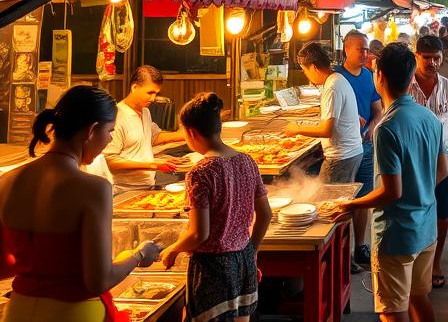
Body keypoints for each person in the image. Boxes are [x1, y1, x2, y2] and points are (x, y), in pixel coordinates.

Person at [0, 85, 161, 321]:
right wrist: (139, 255)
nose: (109, 140)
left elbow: (4, 265)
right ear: (91, 130)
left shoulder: (7, 181)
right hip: (73, 313)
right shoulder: (94, 188)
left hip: (19, 311)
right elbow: (98, 280)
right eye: (109, 131)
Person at [333, 43, 445, 322]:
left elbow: (390, 192)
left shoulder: (387, 127)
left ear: (379, 76)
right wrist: (420, 187)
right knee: (419, 298)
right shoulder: (429, 117)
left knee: (392, 311)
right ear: (410, 78)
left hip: (397, 236)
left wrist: (350, 204)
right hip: (426, 227)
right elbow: (443, 169)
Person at [160, 93, 272, 322]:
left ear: (190, 132)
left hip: (213, 269)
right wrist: (252, 253)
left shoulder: (201, 172)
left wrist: (173, 249)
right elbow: (266, 214)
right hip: (243, 262)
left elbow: (199, 234)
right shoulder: (247, 161)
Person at [408, 35, 448, 290]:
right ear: (416, 57)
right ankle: (415, 260)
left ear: (443, 57)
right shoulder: (406, 87)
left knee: (442, 213)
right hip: (412, 161)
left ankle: (435, 261)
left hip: (444, 161)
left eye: (437, 58)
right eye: (427, 58)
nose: (432, 63)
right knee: (415, 210)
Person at [336, 31, 384, 272]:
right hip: (342, 148)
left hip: (365, 145)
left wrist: (371, 127)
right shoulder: (335, 78)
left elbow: (378, 110)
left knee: (363, 196)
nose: (365, 54)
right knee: (342, 199)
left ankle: (361, 246)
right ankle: (341, 251)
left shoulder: (368, 76)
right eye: (360, 49)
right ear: (346, 49)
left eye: (366, 49)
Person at [284, 41, 363, 185]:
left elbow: (327, 130)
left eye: (305, 71)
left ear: (314, 67)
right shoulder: (337, 79)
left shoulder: (332, 87)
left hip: (341, 157)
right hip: (349, 153)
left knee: (327, 203)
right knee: (340, 200)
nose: (306, 75)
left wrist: (297, 129)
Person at [104, 65, 184, 192]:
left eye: (156, 93)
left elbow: (153, 136)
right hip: (123, 190)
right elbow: (110, 160)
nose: (153, 98)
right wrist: (152, 165)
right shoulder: (118, 116)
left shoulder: (145, 112)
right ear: (135, 87)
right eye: (150, 93)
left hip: (147, 186)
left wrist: (184, 135)